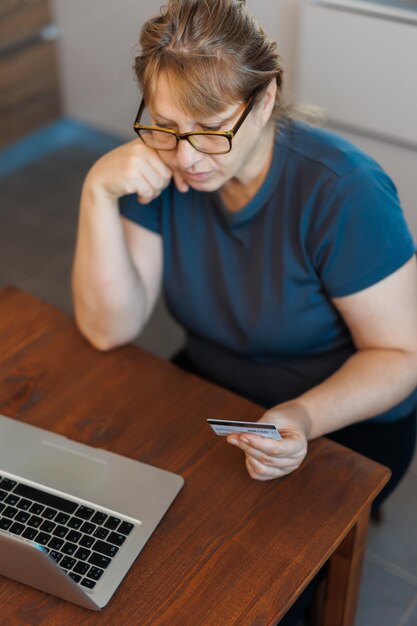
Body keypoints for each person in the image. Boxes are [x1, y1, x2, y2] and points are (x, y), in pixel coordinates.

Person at [72, 0, 417, 622]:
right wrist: (97, 190)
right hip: (216, 390)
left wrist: (304, 418)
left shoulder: (343, 191)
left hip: (342, 421)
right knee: (127, 547)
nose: (188, 157)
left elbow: (401, 355)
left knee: (250, 594)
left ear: (264, 100)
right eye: (165, 124)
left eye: (211, 128)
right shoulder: (164, 167)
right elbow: (108, 328)